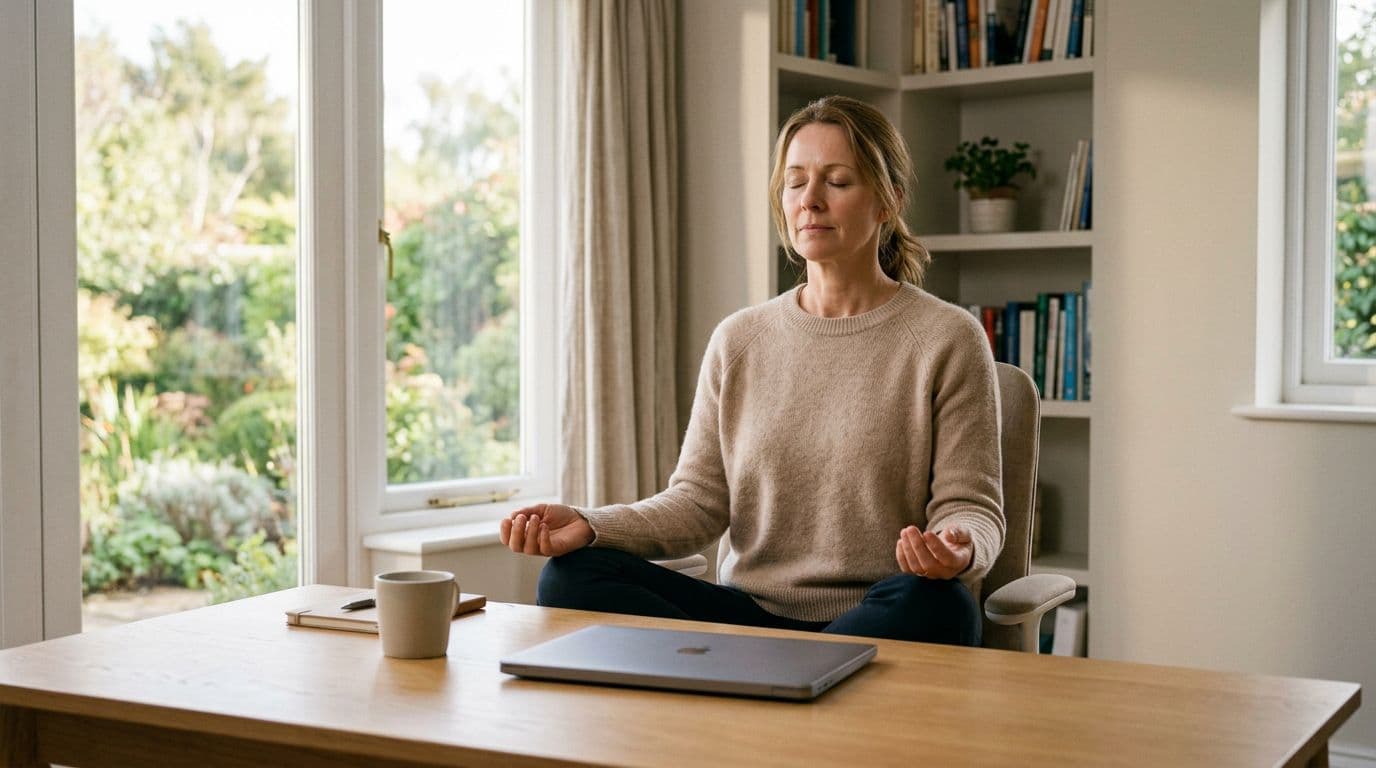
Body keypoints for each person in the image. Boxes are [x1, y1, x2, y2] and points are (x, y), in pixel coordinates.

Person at [500, 95, 1003, 646]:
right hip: (748, 615)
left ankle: (782, 676)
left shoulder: (945, 338)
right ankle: (805, 679)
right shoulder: (739, 340)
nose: (810, 200)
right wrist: (592, 525)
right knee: (572, 576)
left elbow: (970, 506)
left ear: (888, 201)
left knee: (940, 605)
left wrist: (959, 546)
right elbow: (696, 504)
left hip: (879, 611)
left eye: (836, 181)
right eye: (795, 182)